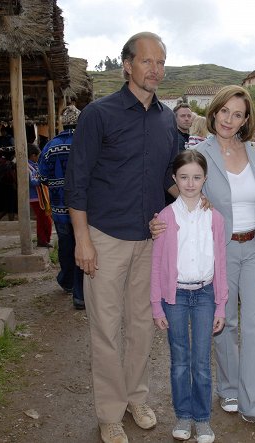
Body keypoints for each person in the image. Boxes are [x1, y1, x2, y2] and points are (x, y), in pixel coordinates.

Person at [65, 31, 178, 443]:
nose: (156, 70)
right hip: (105, 237)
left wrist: (196, 204)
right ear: (127, 65)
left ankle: (137, 397)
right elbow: (76, 181)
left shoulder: (168, 118)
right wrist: (82, 239)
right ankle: (110, 412)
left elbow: (168, 176)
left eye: (161, 62)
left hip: (150, 239)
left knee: (142, 325)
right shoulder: (99, 114)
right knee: (106, 329)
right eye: (148, 61)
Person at [194, 85, 255, 434]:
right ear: (214, 111)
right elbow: (184, 187)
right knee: (225, 322)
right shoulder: (200, 153)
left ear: (246, 119)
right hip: (220, 249)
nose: (229, 120)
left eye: (238, 114)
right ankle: (229, 389)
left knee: (254, 325)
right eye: (224, 111)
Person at [150, 150, 227, 443]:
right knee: (180, 360)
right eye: (184, 177)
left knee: (201, 362)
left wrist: (220, 304)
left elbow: (220, 262)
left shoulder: (214, 217)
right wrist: (156, 305)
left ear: (204, 179)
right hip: (176, 298)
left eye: (196, 177)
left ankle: (203, 418)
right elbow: (157, 264)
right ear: (175, 179)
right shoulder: (166, 217)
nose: (190, 183)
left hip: (206, 294)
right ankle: (183, 414)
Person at [38, 104, 85, 309]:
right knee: (84, 245)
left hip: (60, 208)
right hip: (84, 208)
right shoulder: (86, 143)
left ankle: (66, 281)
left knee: (66, 246)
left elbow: (42, 177)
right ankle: (80, 294)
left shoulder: (50, 146)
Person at [27, 144, 53, 248]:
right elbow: (32, 182)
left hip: (41, 197)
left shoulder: (34, 165)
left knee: (44, 219)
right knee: (44, 220)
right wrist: (42, 179)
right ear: (33, 155)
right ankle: (42, 240)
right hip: (35, 198)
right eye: (38, 156)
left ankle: (43, 239)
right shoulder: (27, 167)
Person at [0, 146, 17, 221]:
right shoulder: (7, 164)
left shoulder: (2, 162)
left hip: (3, 187)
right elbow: (10, 177)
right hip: (8, 187)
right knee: (10, 206)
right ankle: (11, 221)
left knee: (8, 206)